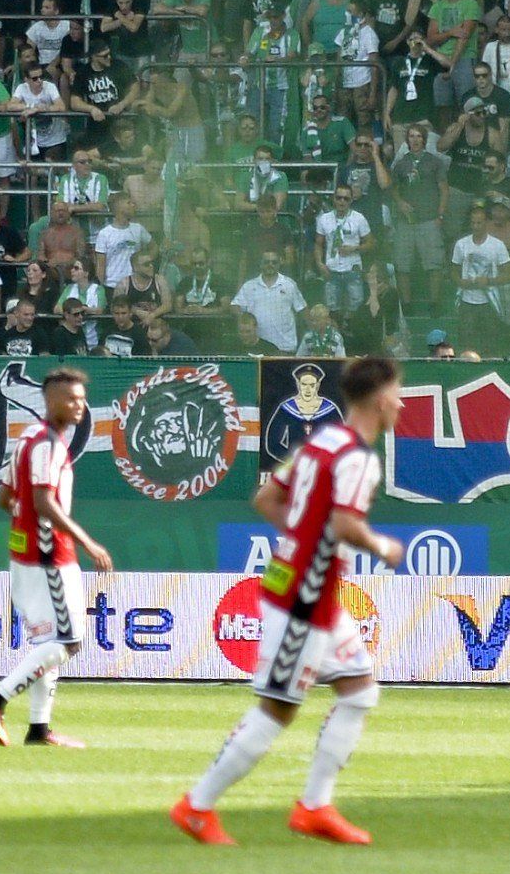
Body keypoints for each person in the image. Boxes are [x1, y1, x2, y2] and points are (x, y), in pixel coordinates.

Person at [171, 351, 407, 848]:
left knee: (359, 689)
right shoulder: (358, 458)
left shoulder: (320, 441)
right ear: (382, 398)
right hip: (304, 595)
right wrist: (383, 546)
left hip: (308, 586)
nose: (402, 404)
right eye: (398, 393)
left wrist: (301, 539)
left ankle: (315, 807)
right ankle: (197, 806)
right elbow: (345, 524)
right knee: (277, 709)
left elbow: (265, 500)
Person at [0, 365, 112, 749]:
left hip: (26, 555)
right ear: (51, 400)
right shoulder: (47, 443)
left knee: (48, 643)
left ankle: (38, 730)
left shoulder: (29, 437)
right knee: (68, 642)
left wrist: (26, 523)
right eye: (72, 398)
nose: (79, 405)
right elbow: (44, 502)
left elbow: (5, 499)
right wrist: (87, 542)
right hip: (49, 556)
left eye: (82, 399)